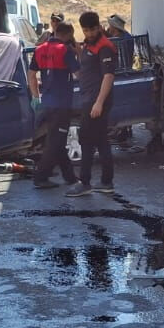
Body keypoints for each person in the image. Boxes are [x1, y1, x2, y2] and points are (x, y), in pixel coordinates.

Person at [67, 11, 118, 197]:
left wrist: (99, 103)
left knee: (87, 141)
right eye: (86, 30)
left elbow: (108, 76)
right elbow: (87, 64)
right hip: (89, 98)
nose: (89, 33)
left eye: (92, 30)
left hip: (96, 101)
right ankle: (106, 181)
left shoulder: (105, 47)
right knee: (101, 141)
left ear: (98, 27)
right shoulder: (89, 44)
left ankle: (85, 182)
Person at [29, 19, 80, 189]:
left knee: (57, 139)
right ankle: (41, 176)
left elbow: (31, 74)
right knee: (55, 142)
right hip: (62, 103)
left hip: (47, 102)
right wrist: (77, 52)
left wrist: (35, 96)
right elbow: (78, 74)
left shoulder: (39, 49)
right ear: (67, 35)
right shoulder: (65, 50)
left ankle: (70, 177)